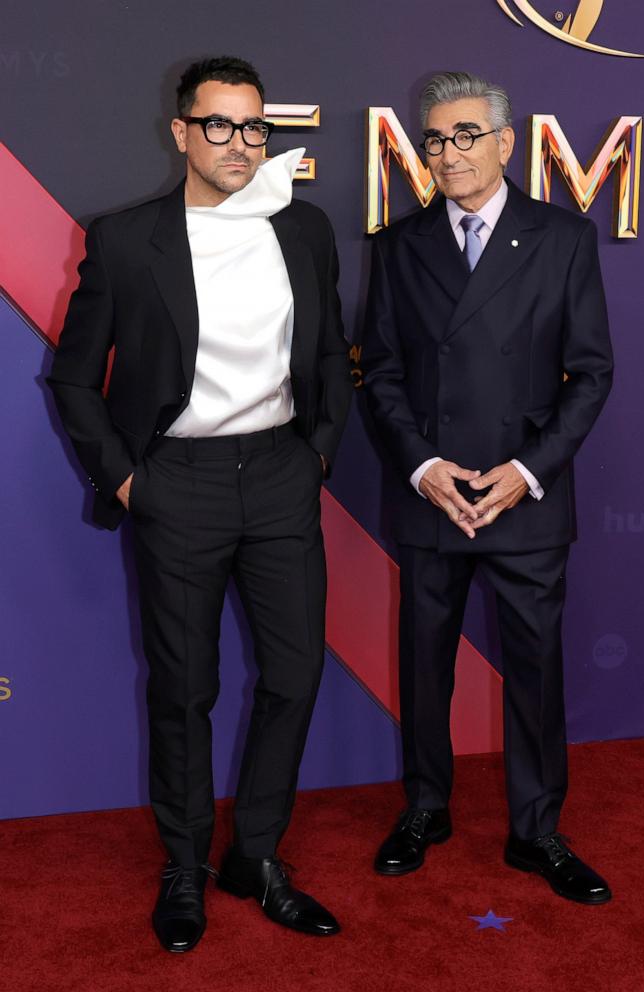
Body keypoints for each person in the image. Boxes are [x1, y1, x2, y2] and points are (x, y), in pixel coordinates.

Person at [48, 56, 352, 951]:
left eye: (253, 126)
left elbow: (333, 351)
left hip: (282, 475)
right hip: (175, 482)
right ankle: (183, 864)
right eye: (218, 124)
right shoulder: (125, 238)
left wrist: (319, 453)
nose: (238, 142)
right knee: (185, 691)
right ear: (181, 131)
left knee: (294, 676)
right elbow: (73, 378)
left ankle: (255, 857)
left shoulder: (305, 230)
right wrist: (129, 478)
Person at [362, 71, 613, 904]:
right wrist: (426, 468)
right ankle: (425, 808)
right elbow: (384, 374)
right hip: (433, 494)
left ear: (507, 143)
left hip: (524, 495)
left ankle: (537, 829)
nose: (450, 152)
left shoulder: (563, 237)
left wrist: (530, 469)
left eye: (468, 134)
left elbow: (592, 373)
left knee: (536, 672)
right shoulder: (399, 246)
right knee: (424, 664)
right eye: (435, 138)